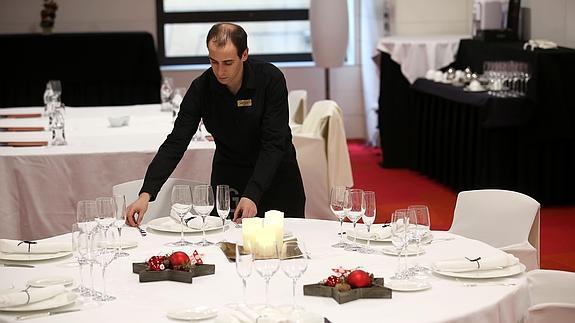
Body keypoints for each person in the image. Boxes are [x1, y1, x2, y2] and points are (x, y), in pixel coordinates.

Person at [126, 22, 305, 226]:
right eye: (214, 62)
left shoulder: (270, 80)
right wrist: (146, 193)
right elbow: (176, 142)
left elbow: (274, 143)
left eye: (228, 62)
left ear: (244, 55)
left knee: (284, 248)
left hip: (275, 177)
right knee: (227, 248)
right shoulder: (201, 88)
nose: (220, 71)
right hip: (230, 179)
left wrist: (253, 193)